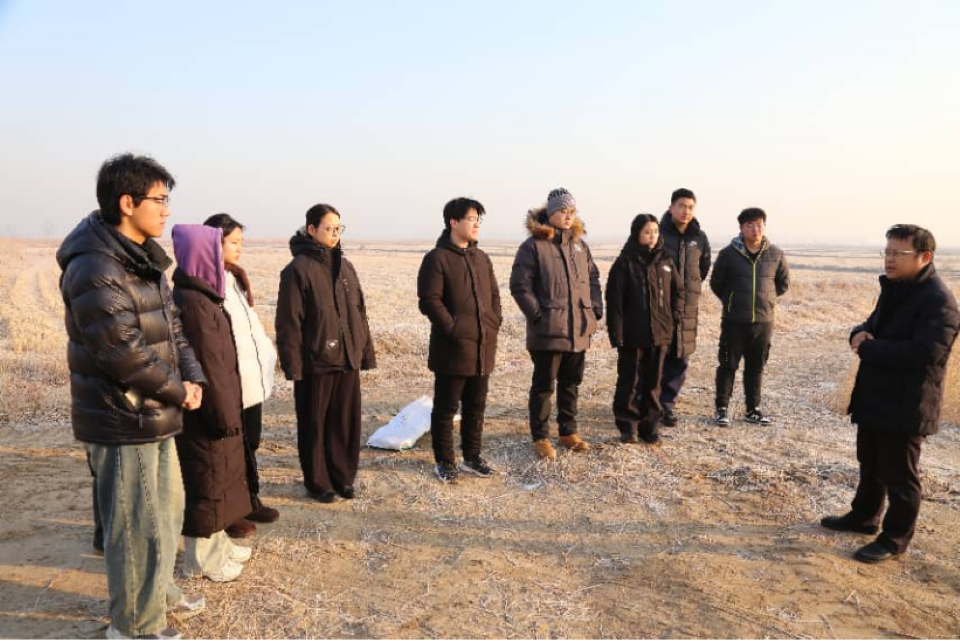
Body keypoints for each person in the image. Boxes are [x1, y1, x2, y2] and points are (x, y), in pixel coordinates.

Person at [56, 153, 206, 640]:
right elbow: (122, 352)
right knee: (136, 526)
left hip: (154, 410)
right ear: (127, 202)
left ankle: (159, 597)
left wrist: (194, 378)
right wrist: (178, 389)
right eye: (159, 200)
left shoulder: (143, 258)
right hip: (123, 416)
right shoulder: (94, 265)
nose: (166, 210)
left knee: (166, 512)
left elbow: (173, 329)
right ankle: (135, 626)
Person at [821, 225, 959, 563]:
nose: (890, 259)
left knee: (900, 475)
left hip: (907, 402)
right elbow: (870, 325)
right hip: (876, 396)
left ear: (925, 257)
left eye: (898, 253)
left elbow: (926, 353)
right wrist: (857, 334)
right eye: (887, 252)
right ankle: (864, 517)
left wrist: (868, 348)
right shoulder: (896, 289)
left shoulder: (938, 301)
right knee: (870, 462)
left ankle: (895, 538)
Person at [276, 204, 377, 502]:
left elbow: (359, 312)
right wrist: (293, 365)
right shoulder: (297, 270)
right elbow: (288, 322)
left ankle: (342, 477)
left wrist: (364, 352)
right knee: (315, 424)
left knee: (345, 423)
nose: (334, 234)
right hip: (315, 361)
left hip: (347, 358)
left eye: (338, 228)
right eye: (328, 228)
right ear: (311, 229)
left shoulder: (346, 267)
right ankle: (318, 482)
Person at [171, 224, 254, 583]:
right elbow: (208, 364)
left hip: (220, 405)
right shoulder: (193, 303)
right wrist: (222, 412)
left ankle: (217, 545)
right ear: (202, 256)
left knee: (219, 479)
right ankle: (200, 560)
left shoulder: (204, 297)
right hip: (206, 410)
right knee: (205, 482)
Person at [510, 187, 602, 460]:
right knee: (544, 386)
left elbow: (593, 279)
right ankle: (540, 436)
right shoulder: (533, 247)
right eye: (563, 211)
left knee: (571, 383)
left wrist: (594, 309)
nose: (568, 215)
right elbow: (519, 285)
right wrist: (538, 315)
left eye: (572, 211)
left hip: (578, 329)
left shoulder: (580, 246)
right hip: (548, 331)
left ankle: (568, 432)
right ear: (550, 213)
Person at [203, 214, 280, 537]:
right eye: (233, 242)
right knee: (229, 448)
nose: (239, 248)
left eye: (241, 242)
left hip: (250, 379)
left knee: (250, 441)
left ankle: (249, 499)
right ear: (212, 243)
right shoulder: (206, 283)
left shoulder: (233, 277)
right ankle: (231, 509)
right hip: (229, 382)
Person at [417, 197, 502, 483]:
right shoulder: (437, 258)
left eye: (479, 219)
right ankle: (444, 461)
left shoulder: (481, 258)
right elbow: (429, 300)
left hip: (483, 345)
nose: (477, 224)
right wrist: (452, 328)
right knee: (446, 409)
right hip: (452, 349)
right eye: (471, 218)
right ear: (453, 222)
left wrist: (493, 322)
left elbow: (494, 296)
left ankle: (472, 457)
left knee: (476, 407)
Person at [606, 214, 683, 445]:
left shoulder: (666, 261)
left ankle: (650, 427)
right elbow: (615, 302)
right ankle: (628, 427)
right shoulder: (624, 262)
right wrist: (616, 333)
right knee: (629, 382)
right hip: (632, 334)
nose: (652, 236)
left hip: (660, 333)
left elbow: (678, 292)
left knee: (654, 382)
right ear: (637, 233)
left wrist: (674, 316)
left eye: (655, 231)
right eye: (647, 232)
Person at [709, 207, 789, 427]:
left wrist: (766, 300)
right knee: (728, 365)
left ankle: (753, 410)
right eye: (750, 225)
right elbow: (716, 283)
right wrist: (731, 300)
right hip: (734, 321)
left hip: (763, 322)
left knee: (756, 367)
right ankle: (721, 409)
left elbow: (783, 284)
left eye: (759, 225)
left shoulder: (775, 254)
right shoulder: (728, 254)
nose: (755, 229)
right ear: (741, 228)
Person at [657, 188, 711, 426]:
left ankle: (666, 406)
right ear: (671, 208)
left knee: (680, 360)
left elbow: (703, 269)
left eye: (690, 207)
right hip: (660, 308)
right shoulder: (657, 234)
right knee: (655, 358)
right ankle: (647, 405)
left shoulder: (699, 238)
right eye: (681, 206)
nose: (685, 211)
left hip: (688, 309)